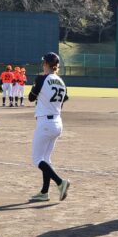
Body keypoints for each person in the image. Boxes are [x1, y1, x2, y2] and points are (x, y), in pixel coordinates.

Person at [28, 53, 71, 202]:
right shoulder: (61, 81)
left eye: (43, 63)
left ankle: (60, 182)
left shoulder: (42, 79)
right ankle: (44, 192)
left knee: (37, 159)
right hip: (57, 121)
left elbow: (31, 98)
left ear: (46, 64)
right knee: (45, 158)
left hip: (45, 123)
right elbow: (64, 99)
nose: (42, 65)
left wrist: (37, 87)